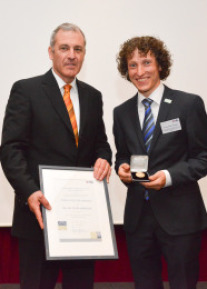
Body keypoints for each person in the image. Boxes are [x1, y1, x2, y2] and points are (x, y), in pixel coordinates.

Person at [1, 23, 112, 289]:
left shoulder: (93, 96)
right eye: (64, 48)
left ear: (84, 54)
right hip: (38, 217)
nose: (71, 55)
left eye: (78, 49)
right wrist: (29, 191)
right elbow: (10, 149)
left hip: (82, 223)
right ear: (51, 52)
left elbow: (101, 144)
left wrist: (104, 159)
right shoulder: (26, 90)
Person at [113, 36, 207, 289]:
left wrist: (168, 176)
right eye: (133, 65)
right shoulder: (121, 113)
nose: (140, 71)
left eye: (146, 63)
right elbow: (122, 154)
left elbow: (203, 158)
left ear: (160, 66)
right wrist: (121, 167)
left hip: (181, 219)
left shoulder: (188, 104)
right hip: (137, 220)